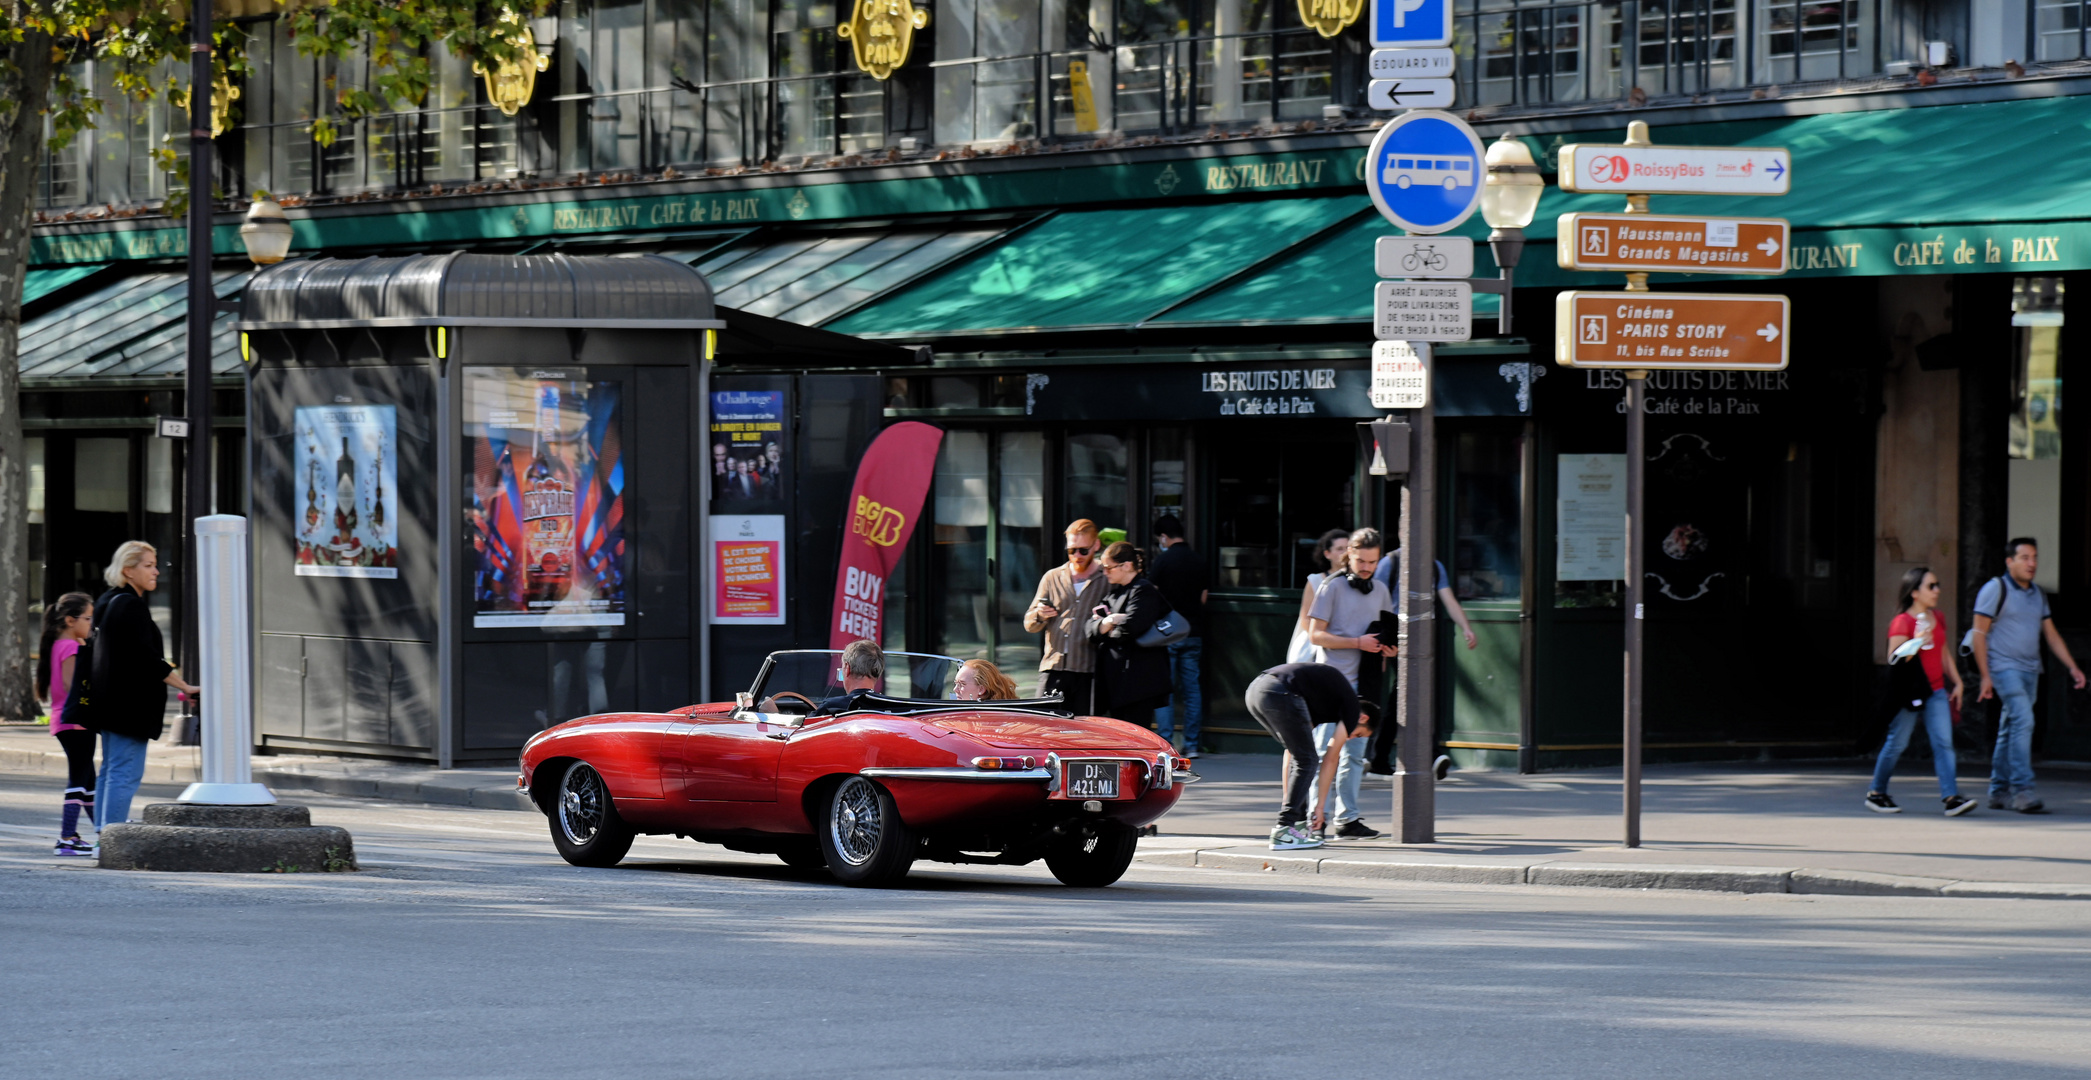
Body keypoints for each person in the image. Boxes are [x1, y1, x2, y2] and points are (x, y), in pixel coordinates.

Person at [1971, 538, 2086, 813]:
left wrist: (2072, 666)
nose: (2032, 563)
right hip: (2003, 668)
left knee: (2010, 727)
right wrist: (1985, 675)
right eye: (2024, 557)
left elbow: (2051, 634)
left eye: (2034, 557)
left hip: (2031, 670)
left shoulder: (2037, 594)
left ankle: (1998, 791)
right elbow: (1978, 634)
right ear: (2009, 561)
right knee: (2023, 719)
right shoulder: (1994, 589)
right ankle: (2022, 790)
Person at [91, 541, 199, 830]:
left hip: (109, 701)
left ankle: (103, 834)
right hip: (129, 705)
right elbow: (148, 660)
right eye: (148, 566)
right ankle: (110, 837)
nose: (156, 573)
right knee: (125, 772)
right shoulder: (131, 606)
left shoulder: (107, 601)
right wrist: (185, 686)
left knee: (111, 770)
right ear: (128, 570)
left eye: (156, 565)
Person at [1305, 528, 1397, 840]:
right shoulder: (1331, 587)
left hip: (1366, 685)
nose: (1367, 567)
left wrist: (1389, 647)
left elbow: (1385, 633)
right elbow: (1315, 635)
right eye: (1361, 561)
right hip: (1331, 683)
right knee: (1323, 754)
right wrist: (1358, 641)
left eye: (1372, 562)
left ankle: (1348, 819)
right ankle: (1315, 820)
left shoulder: (1381, 590)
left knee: (1355, 755)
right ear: (1350, 557)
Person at [1867, 567, 1977, 816]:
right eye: (1931, 586)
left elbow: (1943, 651)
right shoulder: (1902, 622)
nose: (1937, 590)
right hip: (1908, 693)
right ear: (1915, 592)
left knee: (1943, 744)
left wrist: (1957, 681)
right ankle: (1876, 792)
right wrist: (1915, 641)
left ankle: (1951, 798)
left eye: (1937, 585)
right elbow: (1894, 659)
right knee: (1897, 743)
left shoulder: (1937, 616)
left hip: (1936, 689)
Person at [1244, 661, 1376, 851]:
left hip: (1257, 691)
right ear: (1364, 719)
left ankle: (1295, 826)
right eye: (1359, 734)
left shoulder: (1320, 703)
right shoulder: (1353, 709)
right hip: (1280, 691)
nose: (1351, 738)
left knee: (1301, 755)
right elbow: (1331, 758)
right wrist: (1320, 809)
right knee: (1309, 760)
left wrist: (1287, 797)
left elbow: (1289, 754)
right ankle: (1283, 831)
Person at [1376, 549, 1476, 780]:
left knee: (1405, 695)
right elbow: (1377, 602)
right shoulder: (1389, 563)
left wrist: (1466, 628)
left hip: (1422, 638)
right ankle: (1428, 755)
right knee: (1409, 693)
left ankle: (1383, 757)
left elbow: (1448, 598)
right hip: (1395, 637)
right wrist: (1380, 645)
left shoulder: (1433, 565)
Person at [1024, 519, 1107, 714]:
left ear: (1095, 545)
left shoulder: (1106, 578)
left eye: (1083, 550)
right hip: (1053, 667)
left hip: (1088, 669)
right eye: (1071, 550)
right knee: (1044, 726)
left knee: (1084, 731)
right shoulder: (1052, 577)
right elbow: (1029, 623)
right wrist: (1040, 614)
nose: (1077, 556)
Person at [1086, 542, 1172, 727]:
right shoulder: (1114, 594)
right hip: (1117, 682)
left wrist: (1105, 628)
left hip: (1137, 683)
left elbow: (1130, 628)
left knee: (1135, 737)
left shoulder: (1143, 589)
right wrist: (1109, 621)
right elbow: (1089, 630)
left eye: (1108, 567)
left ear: (1126, 565)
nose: (1105, 572)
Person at [37, 592, 96, 856]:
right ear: (70, 620)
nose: (90, 624)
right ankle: (67, 838)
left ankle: (105, 832)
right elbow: (74, 687)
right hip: (76, 722)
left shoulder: (58, 645)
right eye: (87, 618)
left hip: (66, 720)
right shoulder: (71, 647)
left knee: (88, 781)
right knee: (79, 778)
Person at [1148, 515, 1209, 757]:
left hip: (1167, 633)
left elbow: (1151, 598)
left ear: (1163, 537)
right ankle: (1192, 744)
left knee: (1166, 689)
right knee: (1192, 689)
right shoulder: (1199, 561)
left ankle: (1166, 743)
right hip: (1194, 631)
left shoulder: (1162, 561)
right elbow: (1204, 598)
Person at [1287, 529, 1350, 664]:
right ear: (1327, 554)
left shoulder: (1358, 582)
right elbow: (1306, 620)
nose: (1345, 552)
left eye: (1347, 548)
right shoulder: (1315, 581)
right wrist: (1327, 640)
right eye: (1339, 549)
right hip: (1317, 649)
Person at [814, 639, 885, 714]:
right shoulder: (894, 707)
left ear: (847, 668)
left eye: (843, 667)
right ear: (878, 672)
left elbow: (809, 724)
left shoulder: (831, 707)